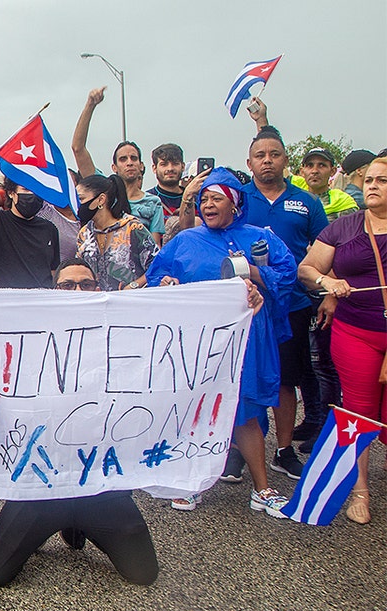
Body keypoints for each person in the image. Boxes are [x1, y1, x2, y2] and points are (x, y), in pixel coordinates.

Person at [0, 258, 160, 587]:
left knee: (143, 573)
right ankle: (63, 523)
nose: (77, 291)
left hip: (100, 485)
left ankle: (80, 525)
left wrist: (235, 305)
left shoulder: (121, 332)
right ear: (53, 291)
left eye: (86, 285)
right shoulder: (33, 332)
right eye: (67, 285)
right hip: (42, 483)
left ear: (98, 289)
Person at [145, 167, 298, 517]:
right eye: (205, 199)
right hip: (199, 343)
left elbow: (287, 277)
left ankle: (262, 488)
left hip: (247, 341)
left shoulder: (262, 237)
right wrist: (165, 282)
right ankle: (192, 482)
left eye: (217, 198)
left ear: (235, 204)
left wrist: (254, 271)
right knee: (195, 408)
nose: (208, 204)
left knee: (245, 409)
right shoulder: (185, 240)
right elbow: (157, 276)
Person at [297, 157, 387, 524]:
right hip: (356, 333)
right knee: (359, 411)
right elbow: (307, 268)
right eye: (368, 179)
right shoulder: (346, 227)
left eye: (383, 180)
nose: (372, 185)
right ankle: (360, 488)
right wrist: (327, 284)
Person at [242, 128, 329, 477]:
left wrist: (326, 296)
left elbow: (327, 249)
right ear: (249, 163)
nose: (267, 160)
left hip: (292, 304)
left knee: (286, 380)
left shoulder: (306, 202)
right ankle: (239, 449)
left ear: (285, 160)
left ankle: (283, 449)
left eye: (274, 154)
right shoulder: (238, 199)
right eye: (260, 155)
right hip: (246, 307)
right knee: (243, 376)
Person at [71, 87, 166, 242]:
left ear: (141, 165)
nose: (129, 163)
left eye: (133, 158)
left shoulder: (153, 202)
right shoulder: (103, 188)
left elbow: (154, 248)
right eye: (123, 159)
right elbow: (78, 148)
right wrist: (90, 105)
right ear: (114, 167)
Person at [73, 173, 158, 291]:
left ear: (101, 199)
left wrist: (134, 285)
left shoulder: (132, 228)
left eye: (81, 199)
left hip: (130, 301)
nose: (78, 204)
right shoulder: (84, 234)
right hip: (95, 302)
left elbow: (157, 265)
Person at [292, 148, 359, 222]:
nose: (314, 171)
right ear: (302, 171)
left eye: (321, 165)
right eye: (310, 165)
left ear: (333, 171)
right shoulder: (292, 201)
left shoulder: (343, 202)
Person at [147, 143, 186, 239]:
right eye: (164, 164)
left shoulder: (196, 199)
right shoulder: (147, 200)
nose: (170, 168)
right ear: (154, 168)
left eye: (175, 163)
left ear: (183, 166)